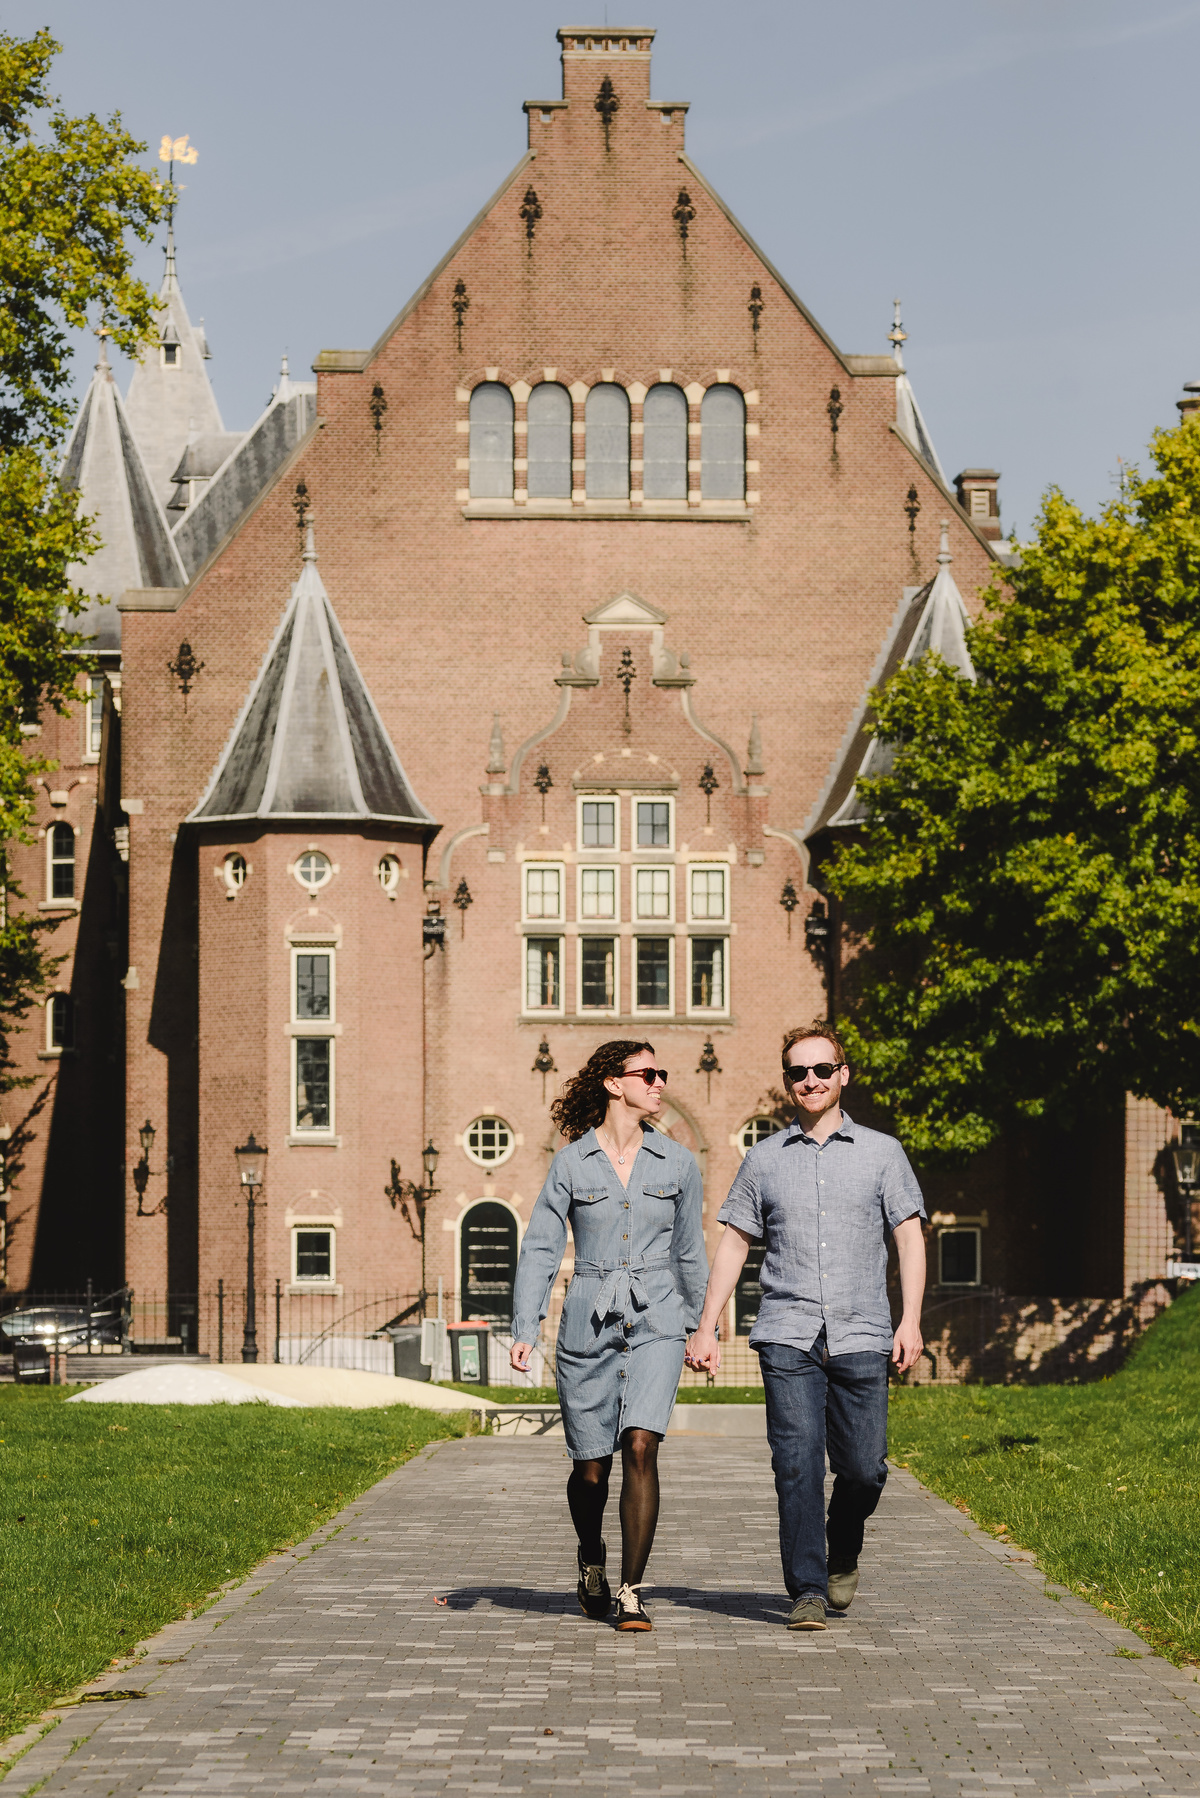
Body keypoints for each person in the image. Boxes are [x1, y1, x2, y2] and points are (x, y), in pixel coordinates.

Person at [686, 1021, 926, 1631]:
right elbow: (736, 1242)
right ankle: (808, 1589)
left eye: (823, 1069)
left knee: (865, 1469)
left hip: (863, 1331)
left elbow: (909, 1237)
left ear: (843, 1075)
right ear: (788, 1082)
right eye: (799, 1072)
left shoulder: (882, 1152)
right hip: (787, 1333)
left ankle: (842, 1544)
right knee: (796, 1463)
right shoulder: (763, 1160)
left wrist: (912, 1319)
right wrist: (708, 1325)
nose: (811, 1080)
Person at [510, 1040, 708, 1632]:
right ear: (614, 1084)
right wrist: (526, 1325)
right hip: (589, 1321)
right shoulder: (571, 1164)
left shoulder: (678, 1164)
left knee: (642, 1445)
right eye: (648, 1074)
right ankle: (591, 1557)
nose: (659, 1083)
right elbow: (542, 1247)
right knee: (591, 1469)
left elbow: (691, 1253)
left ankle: (630, 1590)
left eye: (662, 1073)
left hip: (658, 1319)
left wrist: (703, 1327)